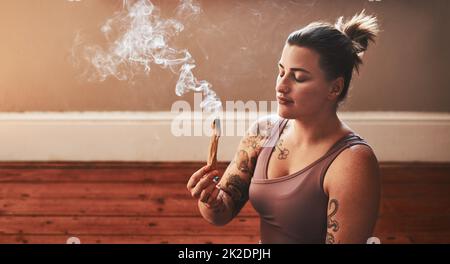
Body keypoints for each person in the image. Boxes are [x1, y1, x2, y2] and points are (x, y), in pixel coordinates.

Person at [187, 10, 381, 244]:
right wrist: (210, 199)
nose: (282, 86)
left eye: (298, 77)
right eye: (281, 72)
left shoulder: (352, 162)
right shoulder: (263, 132)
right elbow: (221, 212)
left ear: (334, 88)